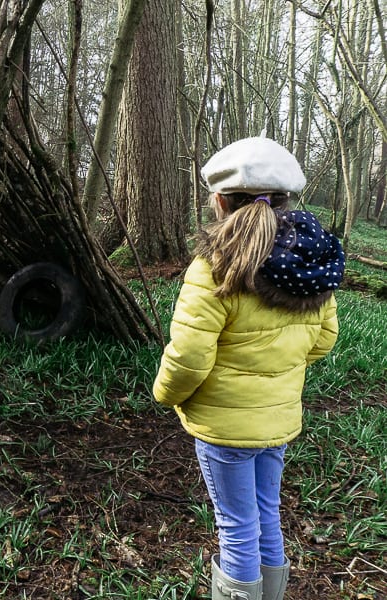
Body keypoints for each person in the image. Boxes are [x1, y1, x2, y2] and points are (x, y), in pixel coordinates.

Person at [153, 137, 345, 600]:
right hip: (277, 421)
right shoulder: (311, 262)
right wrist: (281, 367)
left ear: (219, 202)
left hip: (223, 426)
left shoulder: (214, 265)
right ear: (285, 201)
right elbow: (324, 338)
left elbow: (189, 356)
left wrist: (166, 394)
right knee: (266, 514)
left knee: (236, 527)